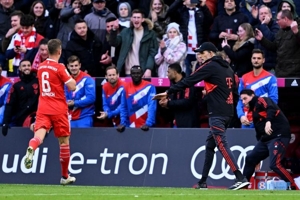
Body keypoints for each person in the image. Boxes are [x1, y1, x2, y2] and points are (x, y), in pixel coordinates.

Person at [153, 42, 249, 190]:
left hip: (217, 112)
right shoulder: (228, 68)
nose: (199, 55)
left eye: (202, 53)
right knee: (210, 145)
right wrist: (221, 102)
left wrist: (168, 92)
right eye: (198, 53)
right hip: (227, 112)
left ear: (211, 53)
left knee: (221, 144)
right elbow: (234, 92)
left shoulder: (209, 65)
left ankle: (240, 177)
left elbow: (189, 80)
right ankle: (203, 182)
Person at [24, 39, 77, 186]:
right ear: (59, 51)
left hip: (43, 107)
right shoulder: (59, 67)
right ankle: (65, 176)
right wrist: (71, 81)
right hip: (58, 108)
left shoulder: (41, 67)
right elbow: (72, 86)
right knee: (64, 142)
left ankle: (31, 148)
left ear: (47, 51)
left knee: (39, 134)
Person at [240, 89, 298, 190]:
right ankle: (244, 185)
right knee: (250, 158)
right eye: (242, 100)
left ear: (252, 96)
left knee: (274, 164)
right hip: (265, 139)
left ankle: (294, 186)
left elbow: (271, 108)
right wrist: (258, 157)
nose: (244, 102)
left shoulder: (262, 100)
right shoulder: (254, 110)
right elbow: (259, 131)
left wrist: (268, 122)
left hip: (279, 135)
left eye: (245, 98)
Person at [109, 9, 158, 77]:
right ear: (131, 19)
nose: (136, 19)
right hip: (127, 71)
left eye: (138, 17)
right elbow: (114, 43)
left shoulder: (150, 34)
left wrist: (148, 69)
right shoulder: (125, 32)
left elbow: (152, 53)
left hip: (142, 71)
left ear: (142, 19)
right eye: (134, 17)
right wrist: (114, 30)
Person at [237, 49, 278, 129]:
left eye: (259, 58)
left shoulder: (270, 78)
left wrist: (268, 118)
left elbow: (273, 100)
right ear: (251, 60)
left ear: (263, 60)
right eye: (254, 58)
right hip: (247, 120)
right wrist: (241, 115)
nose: (256, 60)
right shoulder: (244, 77)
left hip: (262, 119)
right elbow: (240, 100)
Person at [255, 9, 300, 77]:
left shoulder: (298, 28)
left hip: (295, 73)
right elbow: (274, 47)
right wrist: (262, 39)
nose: (277, 22)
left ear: (285, 19)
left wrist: (296, 33)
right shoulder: (280, 32)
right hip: (280, 71)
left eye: (278, 20)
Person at [1, 59, 39, 136]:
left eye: (28, 65)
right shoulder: (16, 85)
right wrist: (5, 122)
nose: (27, 67)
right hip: (21, 119)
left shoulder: (38, 82)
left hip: (37, 117)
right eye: (24, 66)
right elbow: (9, 105)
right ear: (20, 68)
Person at [117, 65, 157, 132]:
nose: (136, 75)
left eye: (138, 73)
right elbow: (123, 107)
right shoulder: (125, 87)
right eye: (134, 73)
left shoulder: (150, 86)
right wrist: (122, 123)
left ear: (142, 74)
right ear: (130, 75)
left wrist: (148, 123)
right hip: (130, 126)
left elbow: (152, 106)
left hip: (146, 127)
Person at [159, 63, 198, 128]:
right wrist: (165, 103)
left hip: (188, 124)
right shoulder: (172, 85)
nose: (167, 74)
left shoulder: (187, 84)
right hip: (176, 123)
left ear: (174, 72)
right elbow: (173, 103)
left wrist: (168, 103)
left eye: (168, 72)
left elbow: (187, 102)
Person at [65, 55, 95, 128]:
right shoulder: (67, 80)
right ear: (68, 66)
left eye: (76, 65)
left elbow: (91, 98)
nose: (74, 68)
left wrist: (75, 103)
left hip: (84, 117)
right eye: (71, 66)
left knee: (84, 139)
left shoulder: (88, 79)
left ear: (80, 65)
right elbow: (65, 95)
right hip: (70, 118)